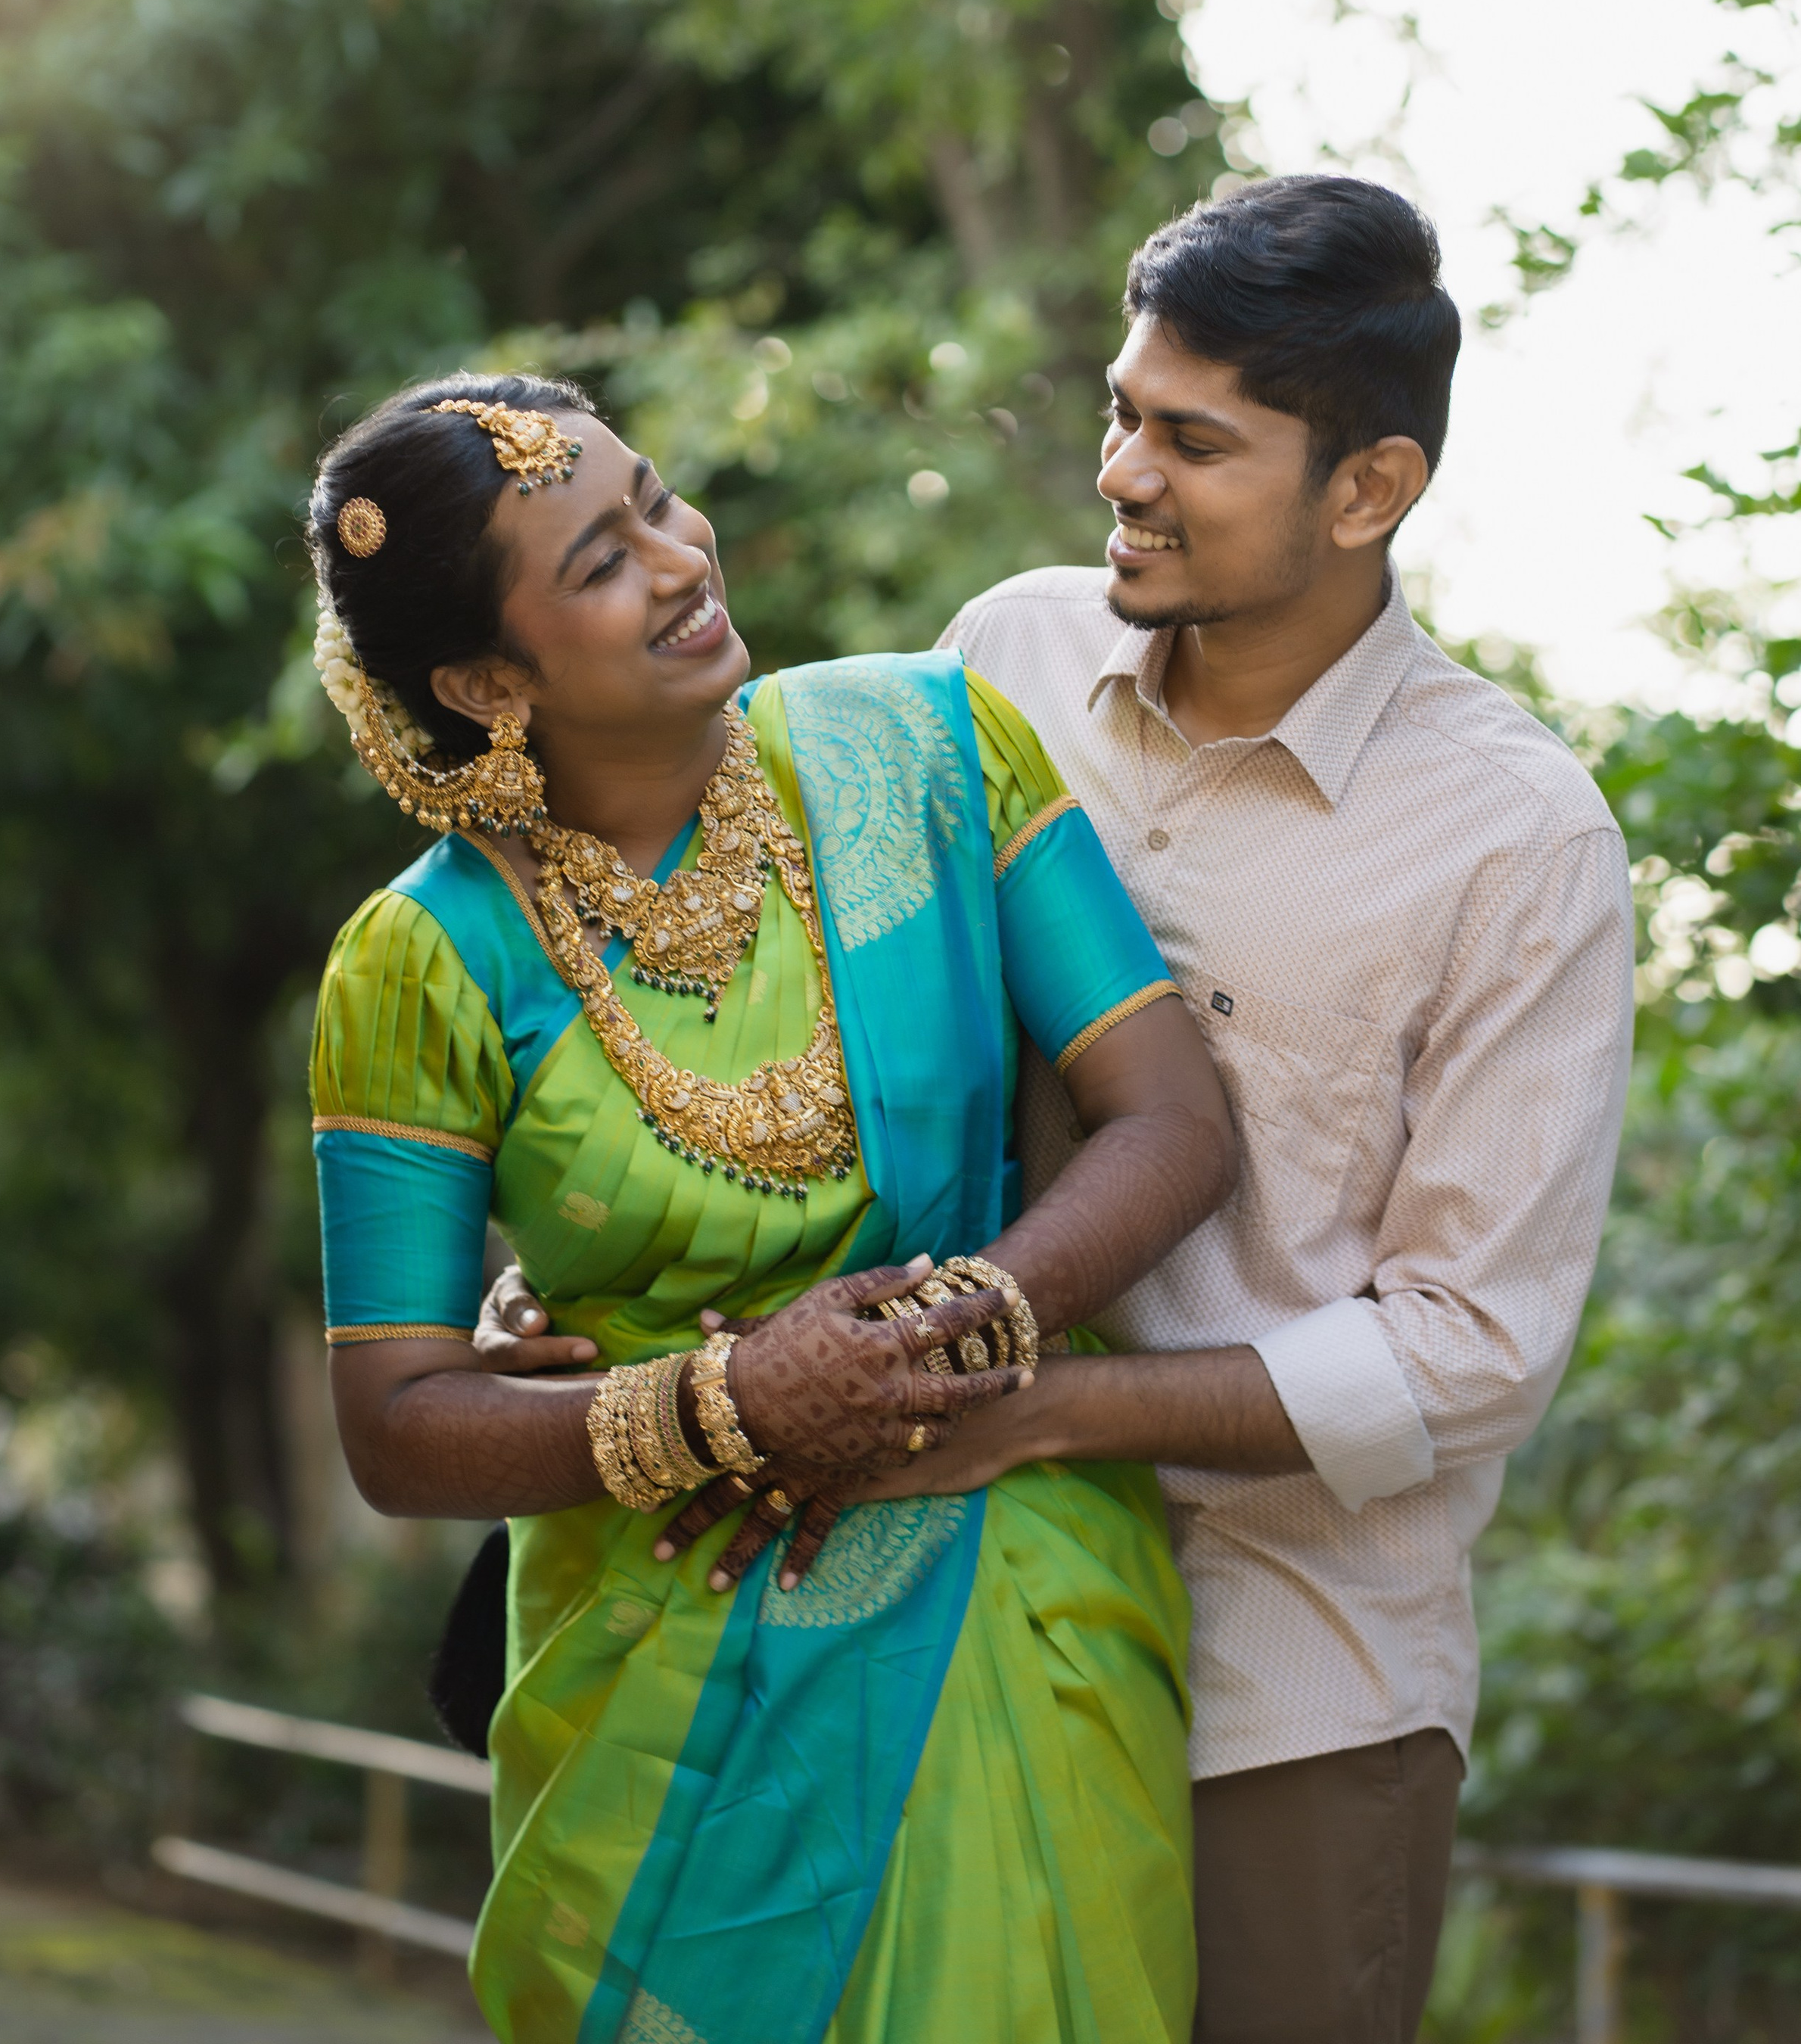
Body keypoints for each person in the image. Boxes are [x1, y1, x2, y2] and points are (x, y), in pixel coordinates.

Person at [303, 372, 1236, 2044]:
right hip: (661, 1666)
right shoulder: (419, 962)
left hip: (1006, 1579)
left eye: (657, 502)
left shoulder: (931, 745)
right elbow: (396, 1422)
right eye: (598, 560)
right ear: (483, 681)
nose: (679, 560)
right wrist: (720, 1408)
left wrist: (944, 1339)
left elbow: (1168, 1119)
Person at [879, 176, 1633, 2044]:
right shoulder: (1006, 660)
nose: (1124, 471)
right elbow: (840, 1034)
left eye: (1193, 441)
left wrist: (1042, 1416)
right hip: (934, 1604)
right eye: (1125, 413)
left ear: (1364, 490)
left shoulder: (1518, 841)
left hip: (1284, 1694)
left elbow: (1466, 1354)